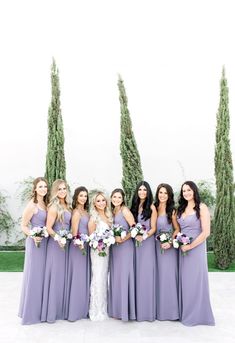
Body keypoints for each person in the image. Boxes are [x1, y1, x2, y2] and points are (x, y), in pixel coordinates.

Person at [177, 181, 215, 326]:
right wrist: (179, 242)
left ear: (194, 191)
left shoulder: (202, 207)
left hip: (196, 248)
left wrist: (190, 246)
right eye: (184, 190)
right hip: (182, 249)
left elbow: (206, 232)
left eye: (189, 190)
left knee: (195, 281)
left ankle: (198, 315)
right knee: (185, 281)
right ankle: (185, 312)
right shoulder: (181, 208)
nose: (186, 193)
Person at [18, 177, 49, 325]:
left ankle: (41, 310)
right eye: (40, 186)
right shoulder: (32, 205)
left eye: (45, 186)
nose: (43, 188)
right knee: (34, 276)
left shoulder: (46, 203)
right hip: (36, 244)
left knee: (43, 277)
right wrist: (33, 235)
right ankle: (30, 313)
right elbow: (23, 225)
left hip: (46, 244)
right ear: (35, 188)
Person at [41, 179, 72, 323]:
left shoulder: (68, 205)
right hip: (56, 245)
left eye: (64, 188)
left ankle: (61, 309)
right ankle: (52, 312)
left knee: (63, 277)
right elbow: (48, 227)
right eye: (59, 189)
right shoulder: (54, 206)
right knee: (55, 276)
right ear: (55, 191)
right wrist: (58, 238)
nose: (62, 191)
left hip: (67, 246)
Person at [130, 181, 157, 321]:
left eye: (144, 190)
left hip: (147, 244)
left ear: (148, 192)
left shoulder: (151, 207)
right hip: (135, 244)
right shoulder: (134, 207)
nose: (142, 192)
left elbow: (153, 228)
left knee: (145, 274)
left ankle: (147, 311)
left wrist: (143, 236)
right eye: (140, 189)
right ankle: (136, 309)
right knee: (137, 274)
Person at [108, 188, 136, 321]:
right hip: (115, 248)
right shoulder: (112, 211)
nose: (116, 199)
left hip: (125, 247)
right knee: (116, 276)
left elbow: (135, 228)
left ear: (123, 199)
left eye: (119, 197)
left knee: (124, 276)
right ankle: (116, 310)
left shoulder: (125, 210)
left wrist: (123, 239)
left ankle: (125, 311)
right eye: (114, 197)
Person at [154, 183, 180, 321]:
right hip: (154, 247)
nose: (162, 195)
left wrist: (169, 241)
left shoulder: (172, 211)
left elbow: (177, 229)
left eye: (165, 193)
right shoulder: (153, 208)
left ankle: (170, 312)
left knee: (168, 277)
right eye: (160, 192)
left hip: (167, 248)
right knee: (157, 277)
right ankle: (158, 310)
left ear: (169, 195)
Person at [66, 186, 90, 321]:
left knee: (84, 278)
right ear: (76, 197)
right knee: (78, 277)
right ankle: (74, 311)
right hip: (78, 248)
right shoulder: (76, 213)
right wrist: (80, 244)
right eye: (81, 195)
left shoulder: (85, 212)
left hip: (86, 246)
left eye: (85, 196)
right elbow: (74, 234)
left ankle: (83, 308)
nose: (83, 198)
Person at [88, 190, 113, 321]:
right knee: (99, 277)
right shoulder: (94, 218)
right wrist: (100, 244)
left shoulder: (109, 215)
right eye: (98, 201)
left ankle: (105, 306)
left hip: (109, 251)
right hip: (99, 252)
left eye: (103, 200)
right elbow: (91, 238)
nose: (101, 203)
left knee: (105, 278)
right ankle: (97, 309)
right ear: (94, 203)